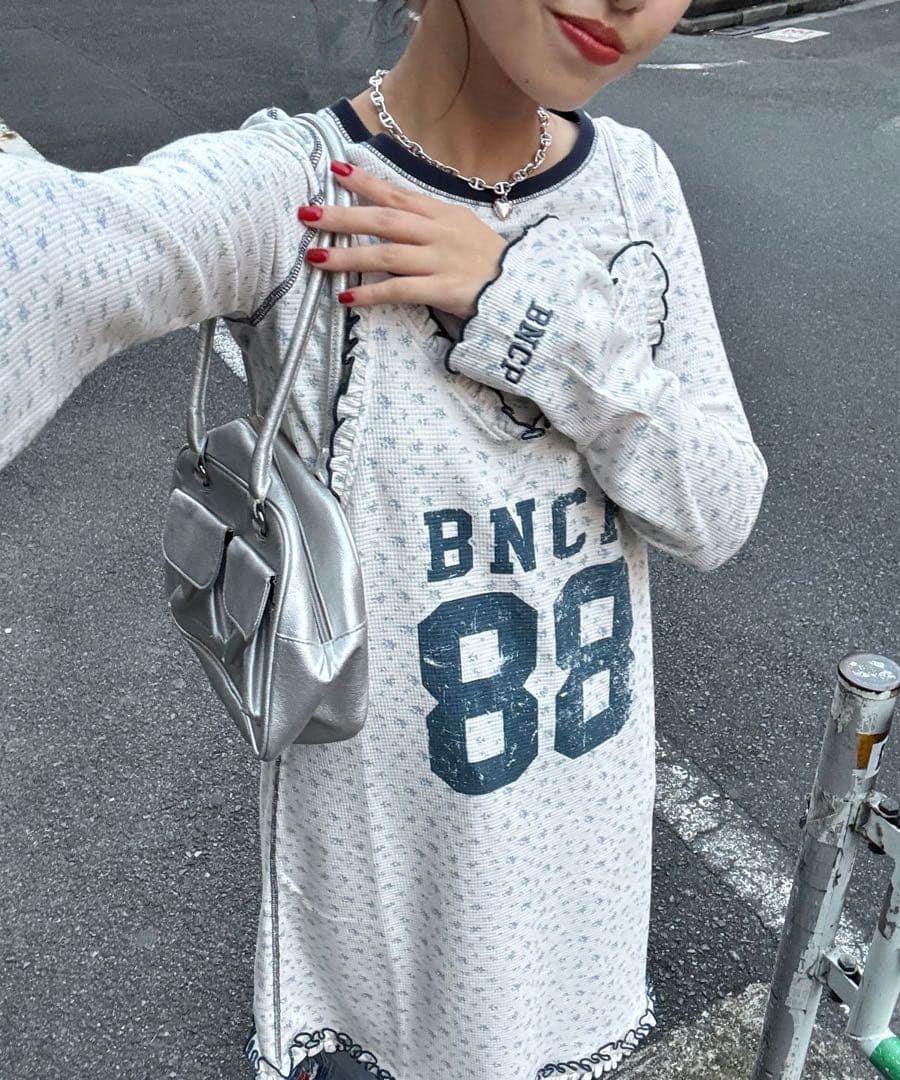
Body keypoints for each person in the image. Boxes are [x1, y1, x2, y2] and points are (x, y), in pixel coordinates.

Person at [0, 0, 769, 1076]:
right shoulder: (303, 192)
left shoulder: (634, 183)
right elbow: (76, 252)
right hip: (379, 945)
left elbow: (721, 508)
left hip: (581, 928)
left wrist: (524, 308)